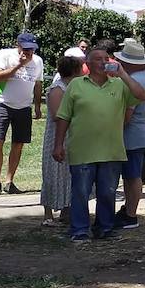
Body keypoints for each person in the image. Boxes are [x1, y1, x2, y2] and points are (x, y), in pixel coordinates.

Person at [54, 41, 145, 243]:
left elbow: (142, 95)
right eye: (98, 59)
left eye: (106, 58)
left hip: (111, 150)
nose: (103, 62)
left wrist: (123, 74)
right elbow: (63, 116)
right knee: (80, 193)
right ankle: (79, 230)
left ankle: (104, 228)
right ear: (87, 63)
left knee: (107, 193)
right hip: (82, 150)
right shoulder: (76, 85)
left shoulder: (119, 84)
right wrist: (58, 144)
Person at [0, 32, 44, 196]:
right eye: (26, 48)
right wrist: (19, 65)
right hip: (2, 103)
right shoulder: (4, 55)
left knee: (18, 144)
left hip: (24, 107)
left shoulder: (38, 61)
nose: (29, 52)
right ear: (17, 45)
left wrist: (37, 106)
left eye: (32, 49)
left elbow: (38, 84)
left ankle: (9, 181)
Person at [113, 40, 145, 230]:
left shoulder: (135, 81)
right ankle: (128, 211)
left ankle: (130, 214)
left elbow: (127, 115)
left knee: (132, 177)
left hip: (133, 135)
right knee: (133, 175)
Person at [40, 56, 83, 228]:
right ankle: (48, 214)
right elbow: (58, 115)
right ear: (74, 70)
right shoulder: (57, 89)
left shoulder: (74, 87)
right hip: (58, 136)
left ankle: (67, 210)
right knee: (53, 174)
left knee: (68, 175)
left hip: (72, 136)